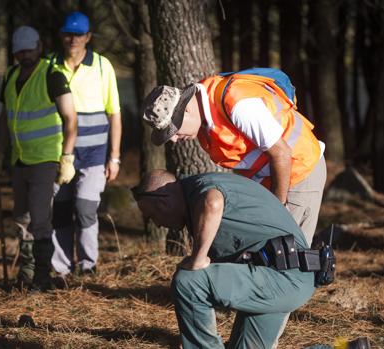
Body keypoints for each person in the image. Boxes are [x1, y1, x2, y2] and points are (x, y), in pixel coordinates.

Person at [132, 169, 316, 349]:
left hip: (284, 276)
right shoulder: (195, 194)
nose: (157, 223)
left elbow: (213, 203)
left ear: (164, 202)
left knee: (187, 281)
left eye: (152, 216)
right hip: (286, 278)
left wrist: (198, 257)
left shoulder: (200, 189)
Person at [141, 71, 326, 247]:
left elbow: (282, 154)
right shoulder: (206, 121)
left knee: (289, 254)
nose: (173, 139)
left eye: (173, 130)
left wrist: (276, 211)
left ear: (187, 110)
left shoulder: (238, 105)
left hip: (299, 172)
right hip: (272, 179)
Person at [0, 26, 77, 291]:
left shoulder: (52, 75)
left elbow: (70, 118)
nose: (24, 55)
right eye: (20, 51)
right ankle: (26, 271)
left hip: (45, 159)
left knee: (40, 219)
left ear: (39, 47)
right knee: (21, 218)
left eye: (29, 50)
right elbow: (6, 117)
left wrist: (67, 157)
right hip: (19, 159)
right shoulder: (11, 75)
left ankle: (42, 277)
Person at [49, 11, 122, 275]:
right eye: (68, 33)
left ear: (88, 37)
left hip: (94, 153)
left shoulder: (103, 66)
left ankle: (88, 266)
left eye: (78, 34)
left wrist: (114, 157)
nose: (73, 39)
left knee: (85, 207)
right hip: (59, 151)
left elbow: (114, 113)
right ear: (61, 35)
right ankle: (61, 269)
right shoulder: (48, 65)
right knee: (60, 209)